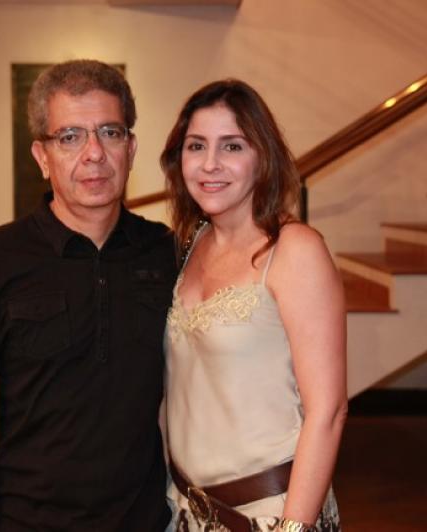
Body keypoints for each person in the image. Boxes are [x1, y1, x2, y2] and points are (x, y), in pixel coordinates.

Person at [0, 59, 176, 532]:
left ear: (131, 148)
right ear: (42, 156)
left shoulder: (167, 253)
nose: (94, 153)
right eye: (70, 137)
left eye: (110, 132)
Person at [160, 79, 346, 532]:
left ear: (262, 157)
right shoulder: (189, 244)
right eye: (196, 146)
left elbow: (328, 410)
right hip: (185, 510)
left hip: (271, 512)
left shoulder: (294, 250)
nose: (210, 163)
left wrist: (293, 527)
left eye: (232, 146)